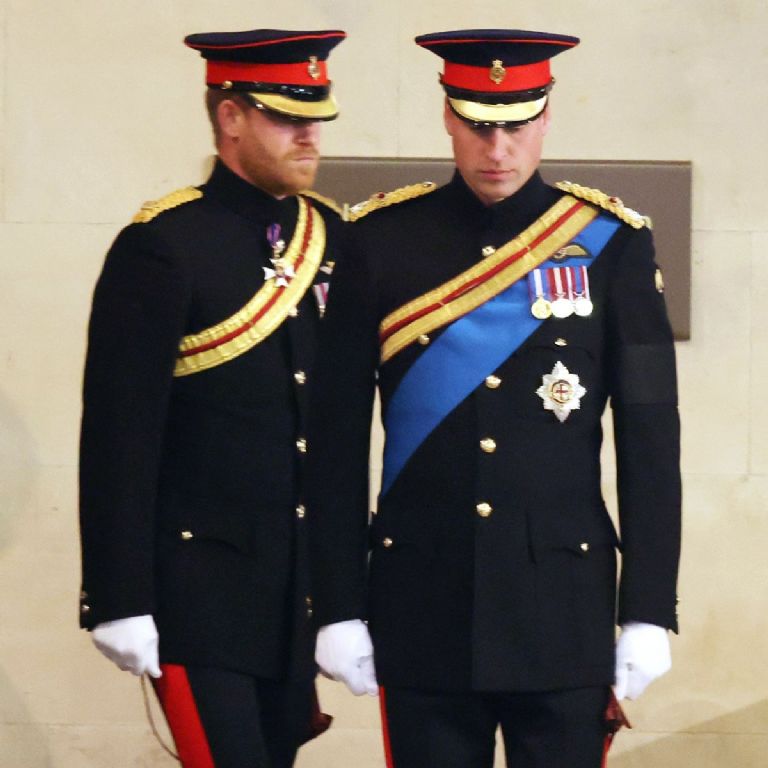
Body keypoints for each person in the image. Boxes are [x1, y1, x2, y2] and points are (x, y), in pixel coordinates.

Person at [307, 29, 681, 768]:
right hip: (422, 605)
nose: (498, 147)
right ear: (447, 115)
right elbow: (336, 442)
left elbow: (650, 441)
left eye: (516, 123)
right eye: (479, 124)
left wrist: (646, 609)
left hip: (562, 613)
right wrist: (339, 603)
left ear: (547, 117)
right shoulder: (377, 241)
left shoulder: (612, 244)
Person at [78, 27, 346, 768]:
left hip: (293, 596)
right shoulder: (165, 244)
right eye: (288, 117)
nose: (309, 135)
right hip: (199, 596)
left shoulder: (331, 236)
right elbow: (119, 436)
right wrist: (117, 594)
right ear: (231, 117)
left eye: (316, 117)